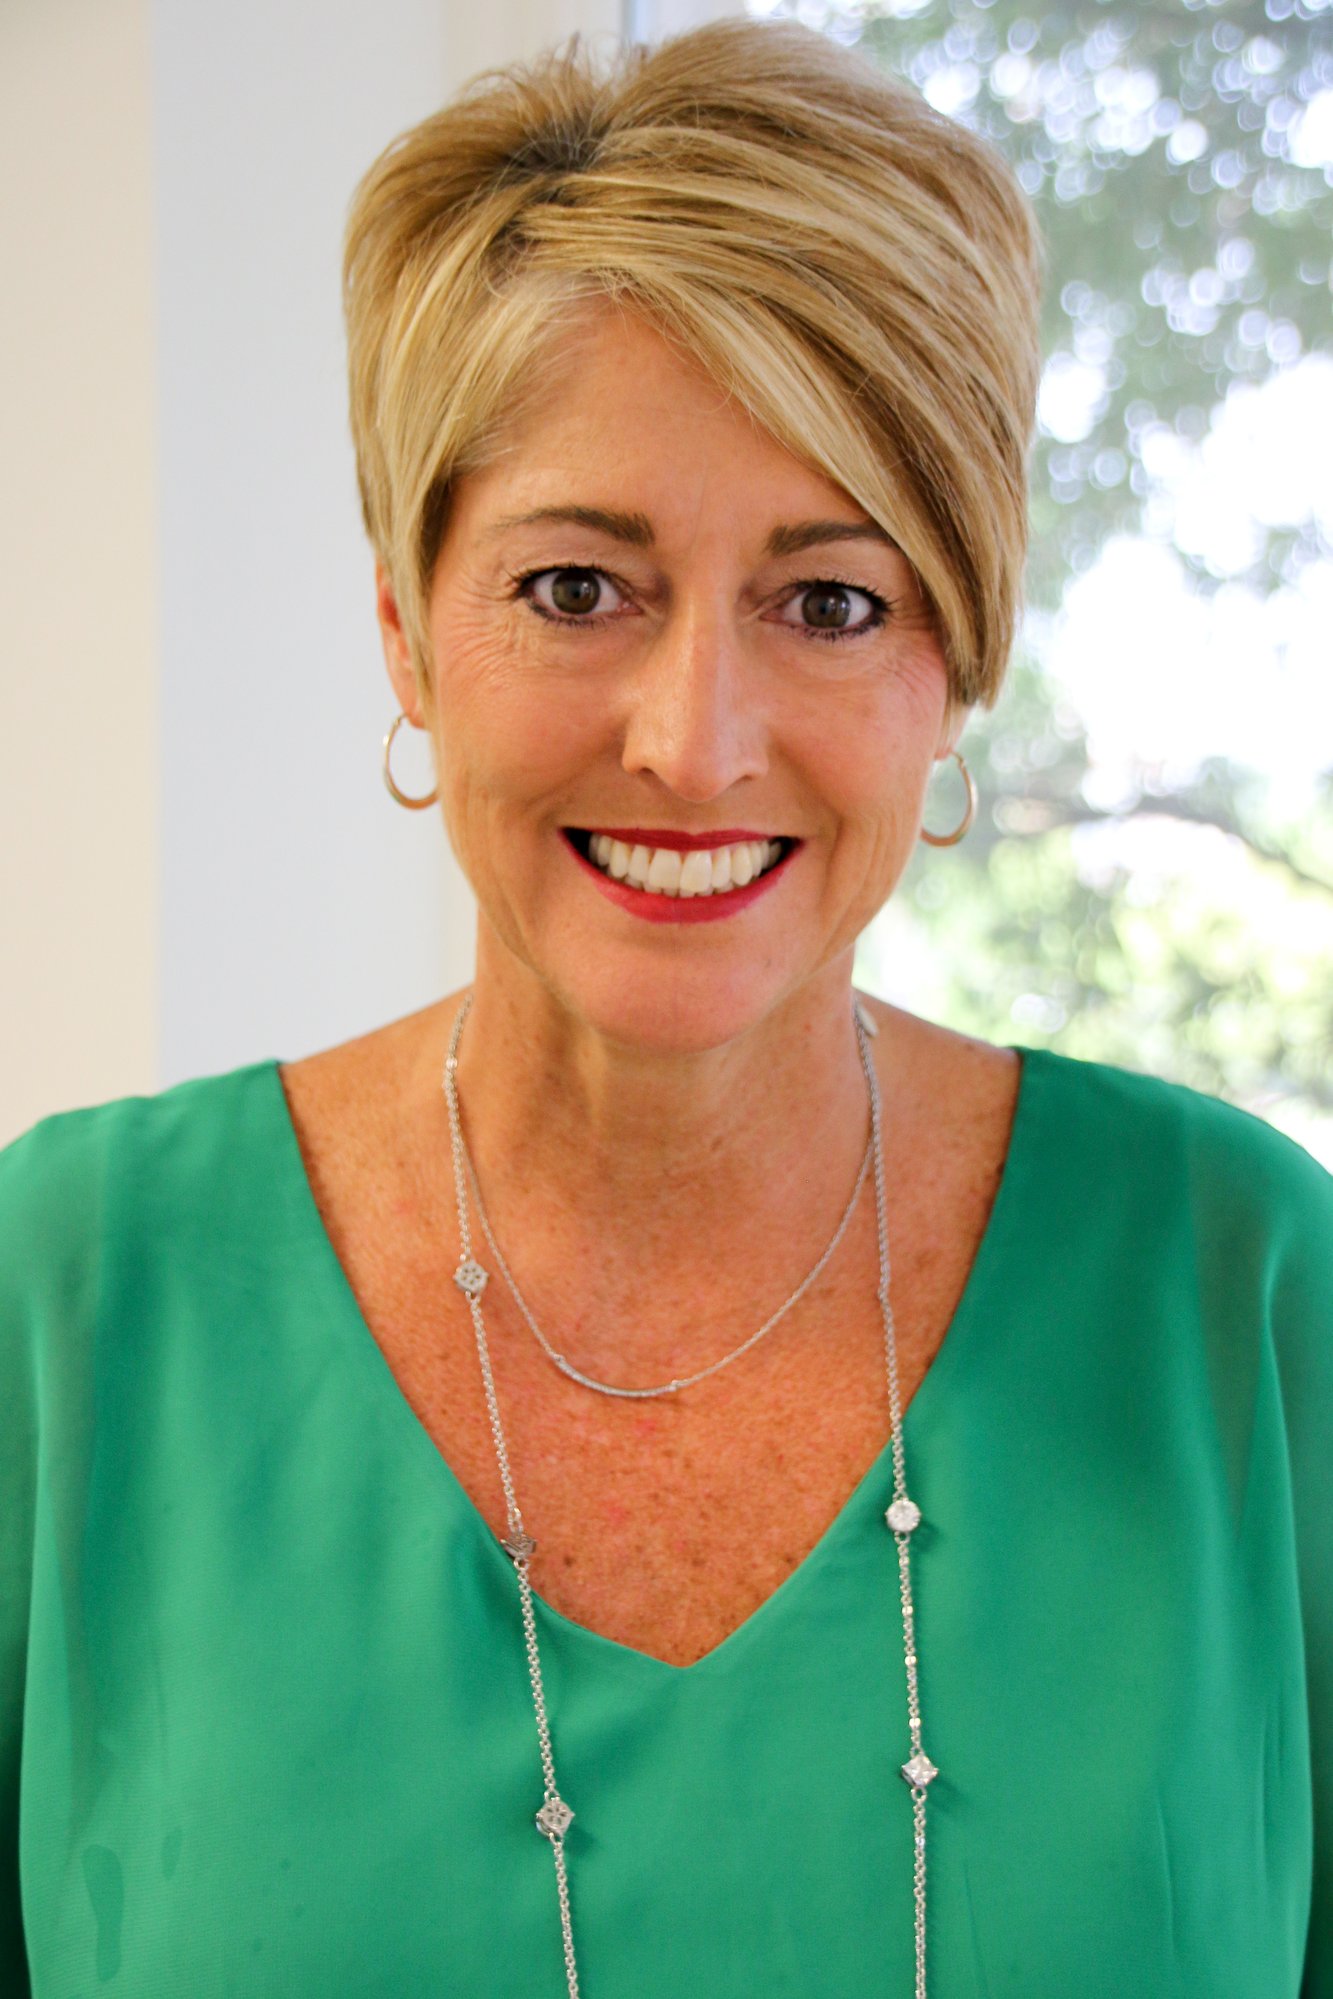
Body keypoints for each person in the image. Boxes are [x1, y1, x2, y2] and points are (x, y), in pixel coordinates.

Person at [2, 16, 1330, 1997]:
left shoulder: (1234, 1291)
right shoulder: (73, 1293)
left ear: (951, 666)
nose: (694, 741)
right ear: (405, 624)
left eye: (829, 601)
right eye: (574, 587)